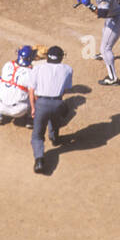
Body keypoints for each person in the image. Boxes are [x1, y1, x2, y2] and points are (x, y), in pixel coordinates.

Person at [28, 46, 73, 174]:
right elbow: (65, 89)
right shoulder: (68, 69)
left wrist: (33, 107)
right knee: (55, 119)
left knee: (37, 135)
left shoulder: (37, 68)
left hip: (41, 103)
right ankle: (55, 138)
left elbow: (31, 91)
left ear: (47, 57)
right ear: (61, 58)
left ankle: (39, 160)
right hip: (58, 102)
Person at [0, 45, 34, 124]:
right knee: (33, 90)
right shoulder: (31, 73)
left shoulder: (7, 65)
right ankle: (30, 118)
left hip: (1, 106)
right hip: (20, 111)